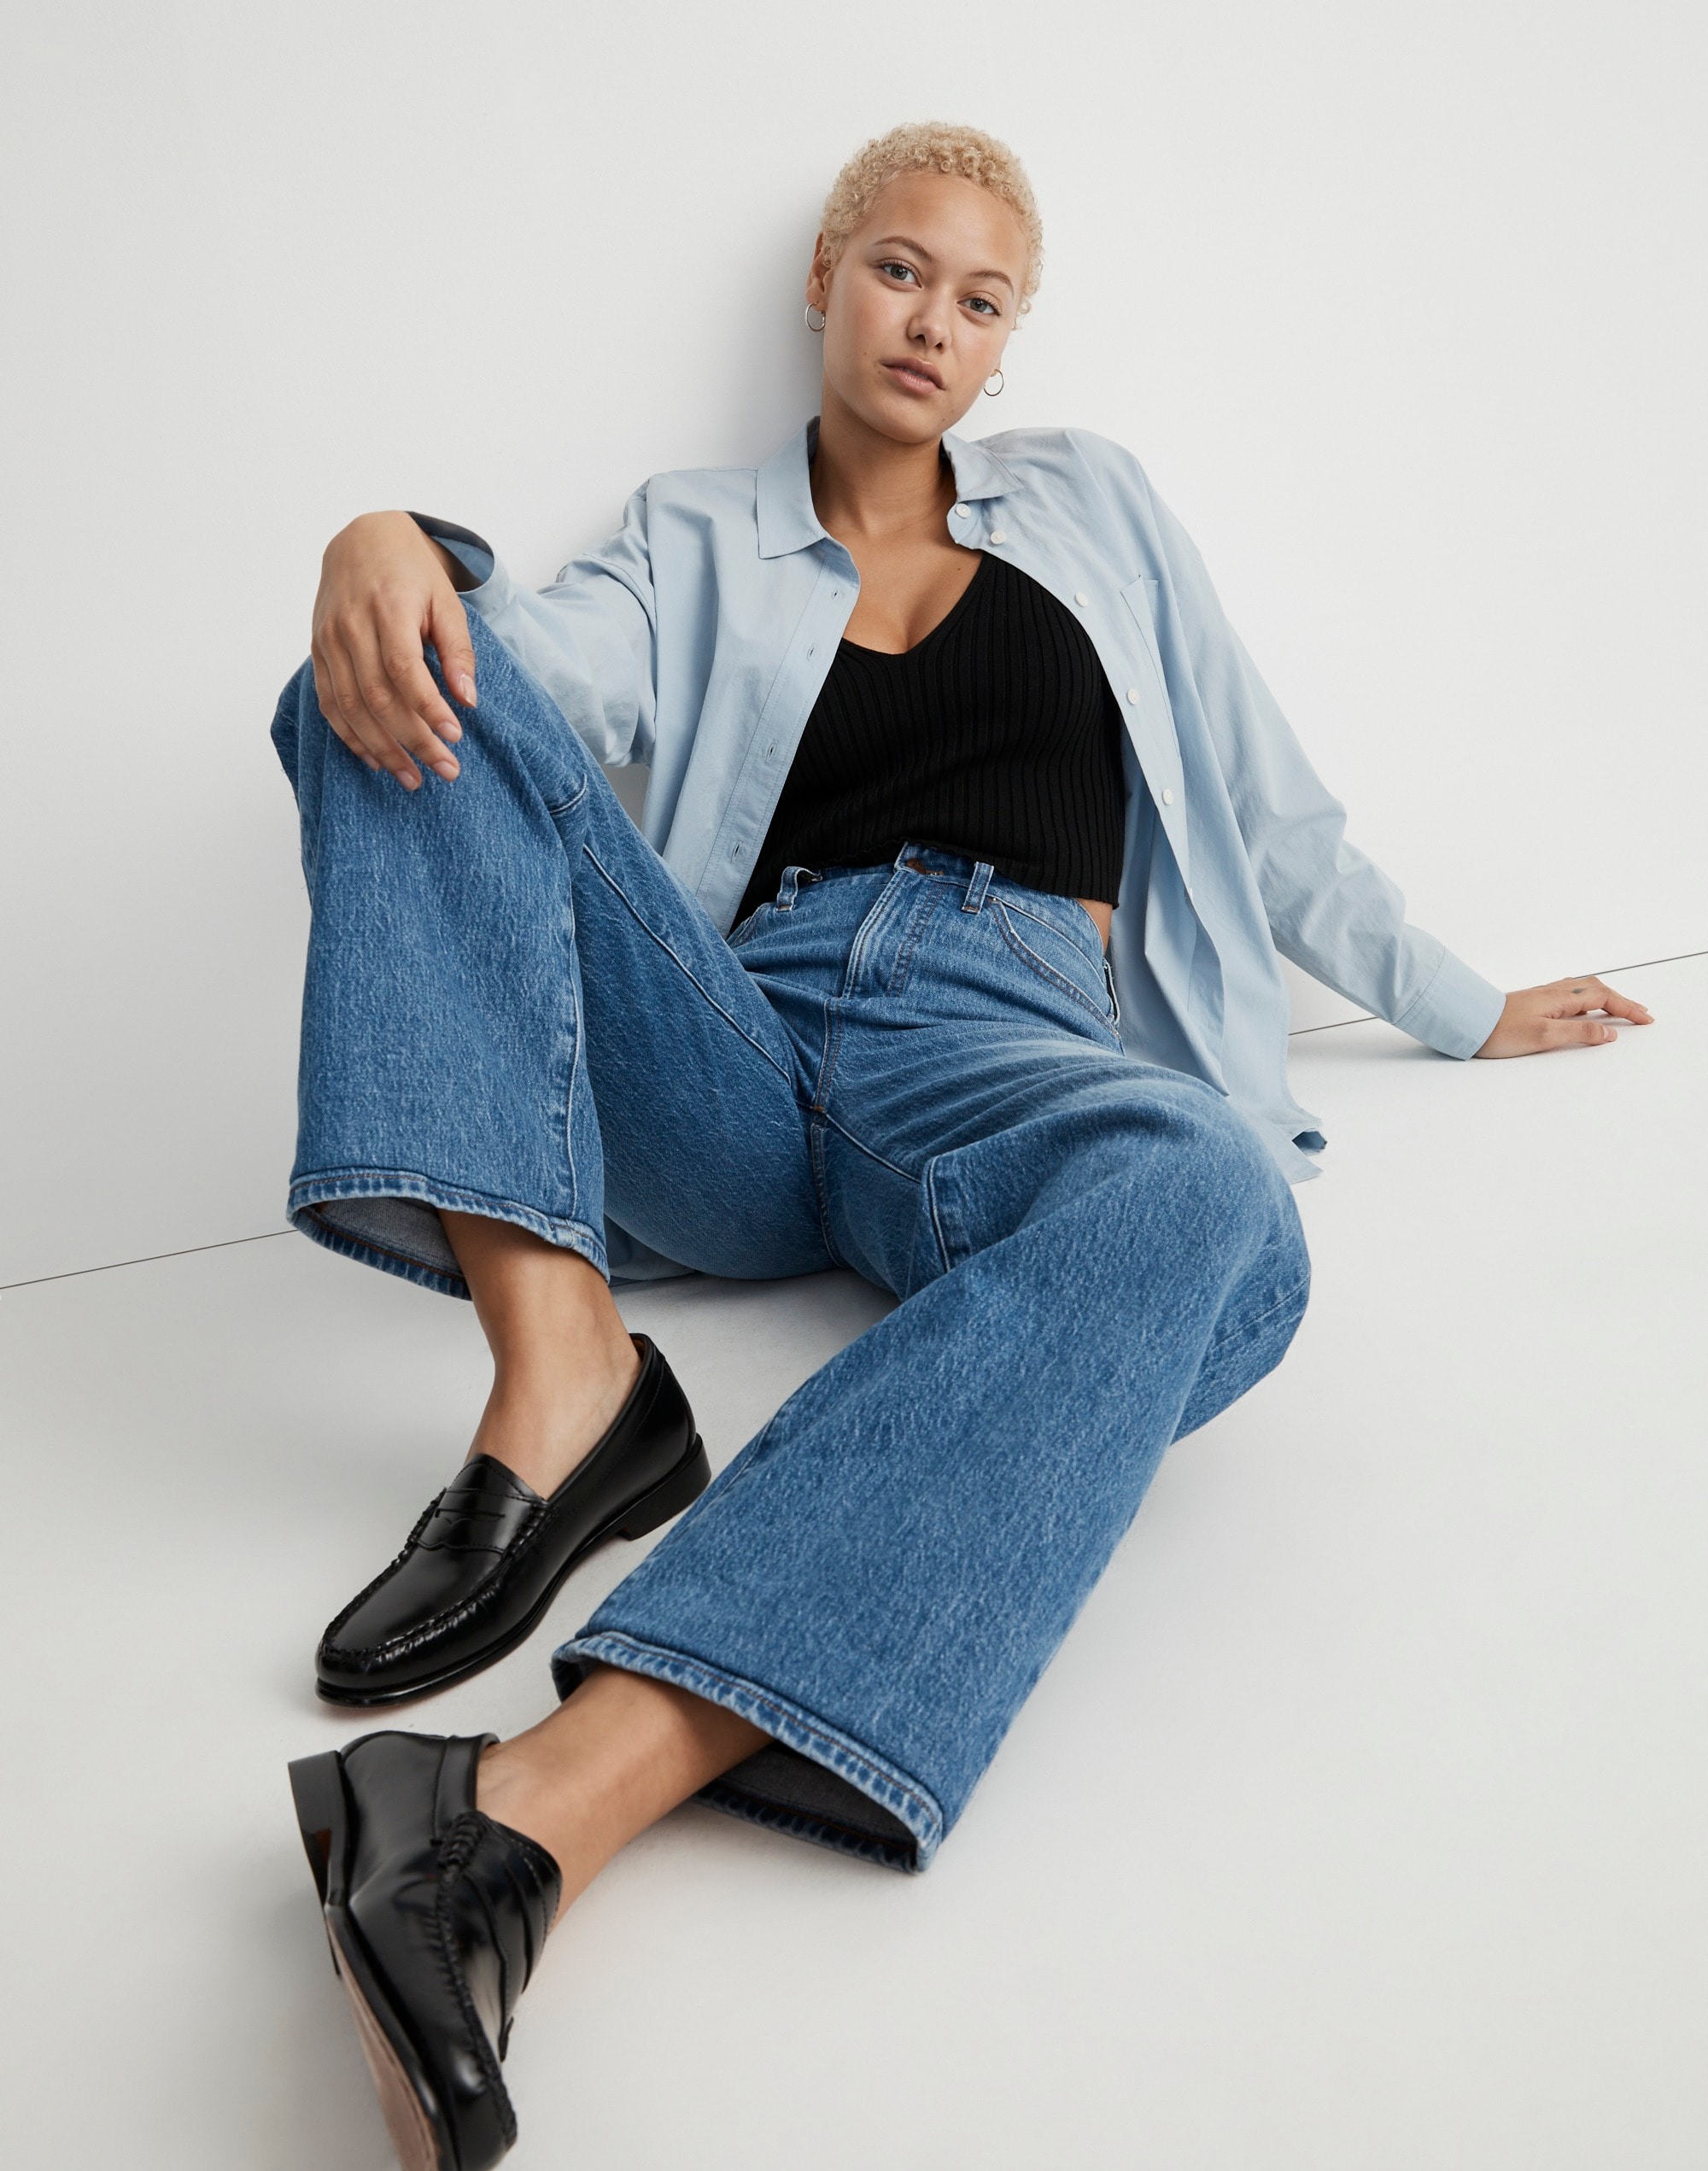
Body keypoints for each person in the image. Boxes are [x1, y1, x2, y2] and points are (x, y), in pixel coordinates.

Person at [271, 121, 1652, 2171]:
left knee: (1207, 1200)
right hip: (738, 1040)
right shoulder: (695, 533)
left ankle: (519, 1809)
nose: (933, 321)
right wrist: (390, 539)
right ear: (826, 280)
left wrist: (1457, 999)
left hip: (996, 1040)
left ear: (1012, 343)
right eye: (900, 270)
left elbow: (1263, 798)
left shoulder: (1094, 508)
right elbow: (525, 680)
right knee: (382, 673)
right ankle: (564, 1377)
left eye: (981, 298)